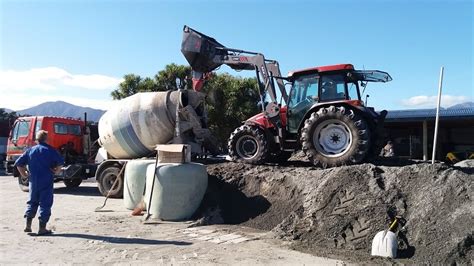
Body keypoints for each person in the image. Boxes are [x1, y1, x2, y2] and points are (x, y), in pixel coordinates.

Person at [14, 130, 64, 235]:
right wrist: (56, 171)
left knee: (32, 202)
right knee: (45, 204)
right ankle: (42, 228)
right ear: (47, 139)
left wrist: (24, 175)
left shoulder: (30, 150)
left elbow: (18, 164)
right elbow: (60, 163)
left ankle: (28, 225)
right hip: (46, 180)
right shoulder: (51, 150)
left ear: (37, 139)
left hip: (33, 181)